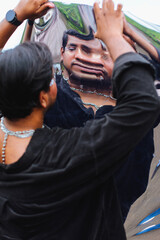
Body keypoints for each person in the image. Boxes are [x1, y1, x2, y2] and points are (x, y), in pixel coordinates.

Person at [0, 0, 160, 239]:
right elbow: (144, 103)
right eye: (52, 78)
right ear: (44, 98)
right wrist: (117, 37)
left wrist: (15, 17)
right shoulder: (73, 151)